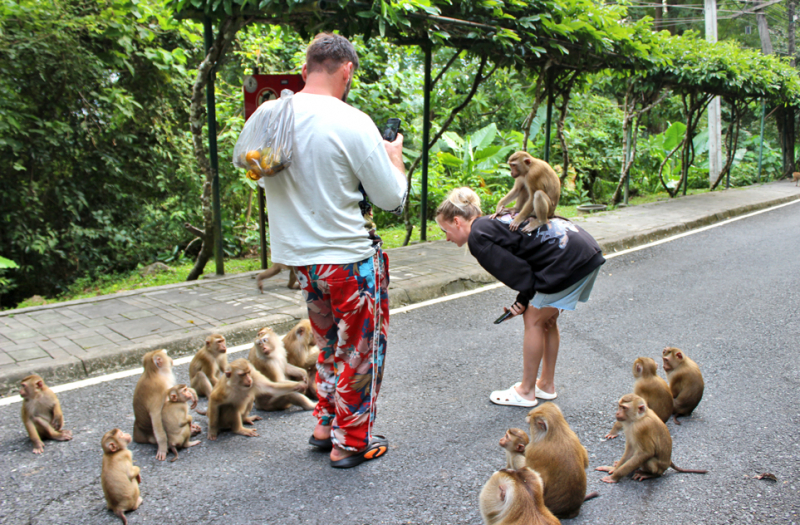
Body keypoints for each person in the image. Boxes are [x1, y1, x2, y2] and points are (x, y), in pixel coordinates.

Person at [257, 33, 407, 467]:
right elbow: (390, 199)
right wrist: (392, 156)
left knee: (327, 345)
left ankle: (325, 425)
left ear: (304, 71)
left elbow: (243, 160)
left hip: (302, 262)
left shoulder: (271, 115)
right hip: (350, 262)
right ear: (347, 71)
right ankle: (351, 443)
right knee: (360, 350)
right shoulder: (352, 120)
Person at [435, 187, 604, 407]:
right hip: (583, 248)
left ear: (457, 221)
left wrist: (524, 302)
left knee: (533, 319)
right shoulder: (492, 221)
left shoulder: (478, 237)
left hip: (567, 258)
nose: (446, 238)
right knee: (547, 319)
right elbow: (527, 270)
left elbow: (523, 276)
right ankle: (545, 385)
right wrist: (523, 300)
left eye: (444, 230)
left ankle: (526, 391)